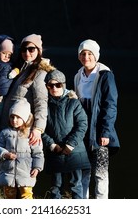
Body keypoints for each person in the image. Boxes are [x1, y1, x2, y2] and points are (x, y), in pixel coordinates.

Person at [73, 39, 120, 199]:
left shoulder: (106, 75)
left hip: (100, 131)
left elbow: (110, 106)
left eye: (89, 53)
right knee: (83, 170)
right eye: (83, 54)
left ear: (96, 56)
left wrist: (105, 132)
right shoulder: (78, 76)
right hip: (82, 131)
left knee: (100, 172)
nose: (86, 57)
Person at [0, 34, 55, 146]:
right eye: (24, 49)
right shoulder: (20, 68)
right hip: (9, 126)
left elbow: (41, 102)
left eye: (31, 49)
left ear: (38, 51)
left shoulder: (40, 73)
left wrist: (38, 129)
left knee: (22, 161)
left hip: (22, 130)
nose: (27, 53)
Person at [42, 69, 91, 199]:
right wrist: (51, 145)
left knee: (76, 185)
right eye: (50, 85)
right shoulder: (43, 105)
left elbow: (82, 124)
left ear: (63, 85)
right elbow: (40, 129)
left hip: (74, 151)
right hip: (55, 151)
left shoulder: (73, 102)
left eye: (57, 85)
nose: (54, 88)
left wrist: (70, 145)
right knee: (55, 186)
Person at [0, 99, 44, 199]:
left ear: (25, 118)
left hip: (26, 173)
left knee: (26, 196)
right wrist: (5, 154)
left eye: (18, 117)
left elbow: (38, 153)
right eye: (12, 117)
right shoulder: (5, 133)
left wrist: (37, 168)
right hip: (8, 172)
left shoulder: (31, 135)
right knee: (10, 195)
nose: (14, 120)